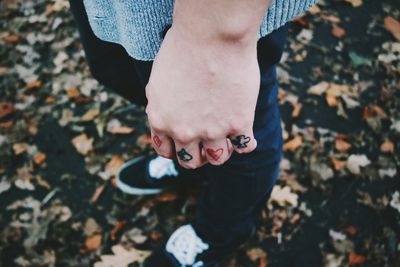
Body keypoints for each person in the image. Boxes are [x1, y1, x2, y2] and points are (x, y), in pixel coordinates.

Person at [69, 0, 317, 266]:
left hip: (212, 22)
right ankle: (194, 163)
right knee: (133, 79)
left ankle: (223, 233)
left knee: (241, 133)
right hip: (123, 11)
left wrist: (213, 40)